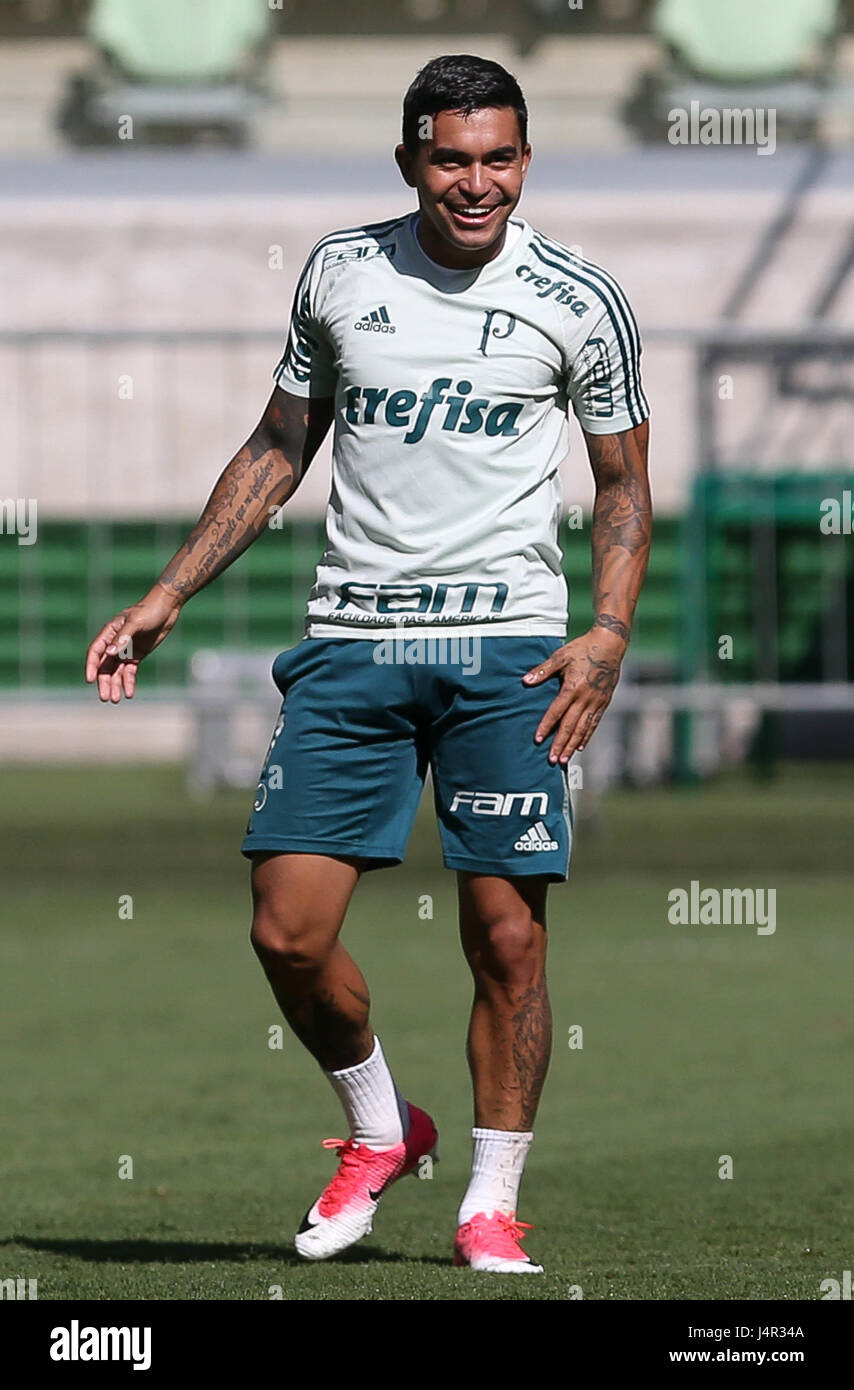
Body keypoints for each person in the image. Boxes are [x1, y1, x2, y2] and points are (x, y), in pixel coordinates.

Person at [85, 53, 651, 1275]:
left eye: (497, 157)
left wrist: (603, 634)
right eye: (450, 157)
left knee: (506, 940)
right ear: (408, 160)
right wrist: (167, 591)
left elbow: (620, 489)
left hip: (507, 647)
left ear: (524, 161)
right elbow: (283, 439)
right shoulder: (342, 271)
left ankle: (491, 1201)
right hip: (352, 643)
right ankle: (382, 1128)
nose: (474, 181)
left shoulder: (579, 300)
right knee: (286, 932)